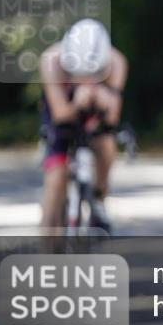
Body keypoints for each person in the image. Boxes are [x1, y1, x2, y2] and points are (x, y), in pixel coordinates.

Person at [38, 18, 128, 232]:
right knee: (56, 178)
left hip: (95, 115)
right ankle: (47, 241)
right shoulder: (52, 60)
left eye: (93, 74)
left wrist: (106, 102)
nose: (85, 79)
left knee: (106, 146)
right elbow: (60, 114)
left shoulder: (116, 62)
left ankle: (99, 197)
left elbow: (112, 119)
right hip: (62, 110)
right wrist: (77, 104)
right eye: (78, 74)